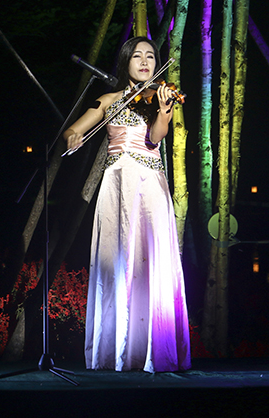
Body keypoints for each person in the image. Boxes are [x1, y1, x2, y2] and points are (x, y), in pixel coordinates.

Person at [63, 36, 191, 373]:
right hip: (116, 184)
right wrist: (73, 135)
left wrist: (164, 111)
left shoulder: (159, 98)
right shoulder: (108, 100)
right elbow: (74, 128)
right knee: (116, 261)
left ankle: (151, 351)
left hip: (149, 186)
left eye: (151, 56)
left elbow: (156, 137)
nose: (146, 61)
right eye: (137, 56)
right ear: (125, 62)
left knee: (149, 262)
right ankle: (115, 351)